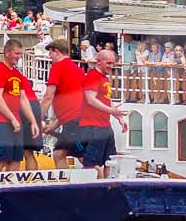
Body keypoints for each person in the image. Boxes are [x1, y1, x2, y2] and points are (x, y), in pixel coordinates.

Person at [0, 38, 40, 169]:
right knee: (0, 159)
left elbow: (23, 99)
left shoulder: (17, 73)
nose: (19, 57)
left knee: (15, 160)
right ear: (7, 53)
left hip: (15, 122)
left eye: (20, 54)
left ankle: (11, 188)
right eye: (17, 54)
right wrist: (12, 118)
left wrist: (33, 121)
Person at [78, 44, 126, 176]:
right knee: (91, 163)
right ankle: (92, 189)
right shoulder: (93, 76)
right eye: (108, 63)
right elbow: (90, 99)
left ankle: (106, 186)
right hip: (93, 126)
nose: (111, 66)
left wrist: (119, 118)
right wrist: (112, 112)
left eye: (113, 63)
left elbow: (106, 99)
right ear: (99, 61)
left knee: (108, 162)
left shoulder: (104, 78)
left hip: (105, 125)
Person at [40, 36, 88, 167]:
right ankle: (69, 182)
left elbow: (48, 96)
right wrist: (54, 126)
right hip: (76, 119)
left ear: (57, 51)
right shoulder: (77, 69)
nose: (49, 56)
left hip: (73, 122)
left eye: (50, 53)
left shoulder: (57, 68)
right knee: (61, 153)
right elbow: (71, 103)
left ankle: (100, 181)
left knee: (82, 156)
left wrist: (35, 118)